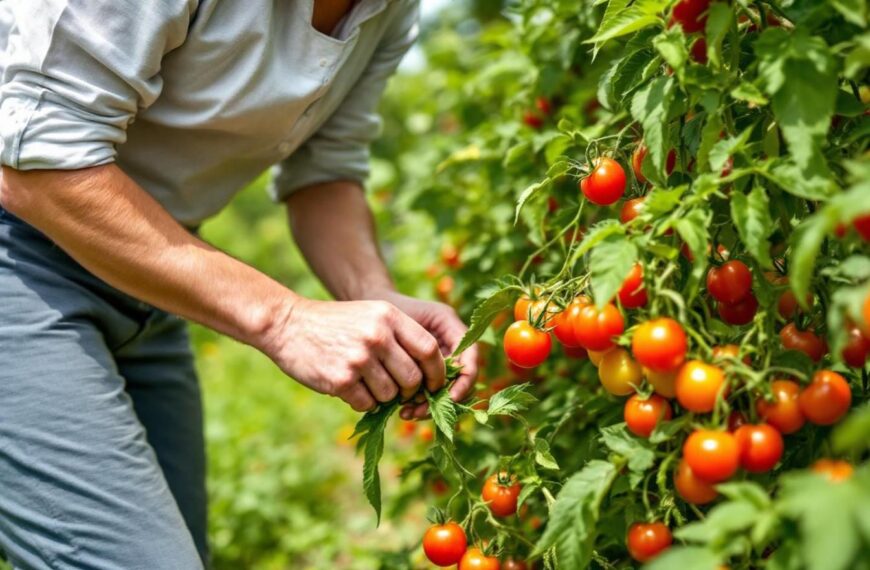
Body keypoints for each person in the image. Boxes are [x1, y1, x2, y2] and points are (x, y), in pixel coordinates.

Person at [0, 1, 478, 568]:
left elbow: (325, 170)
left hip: (147, 276)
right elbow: (36, 162)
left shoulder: (387, 10)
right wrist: (284, 318)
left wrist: (377, 293)